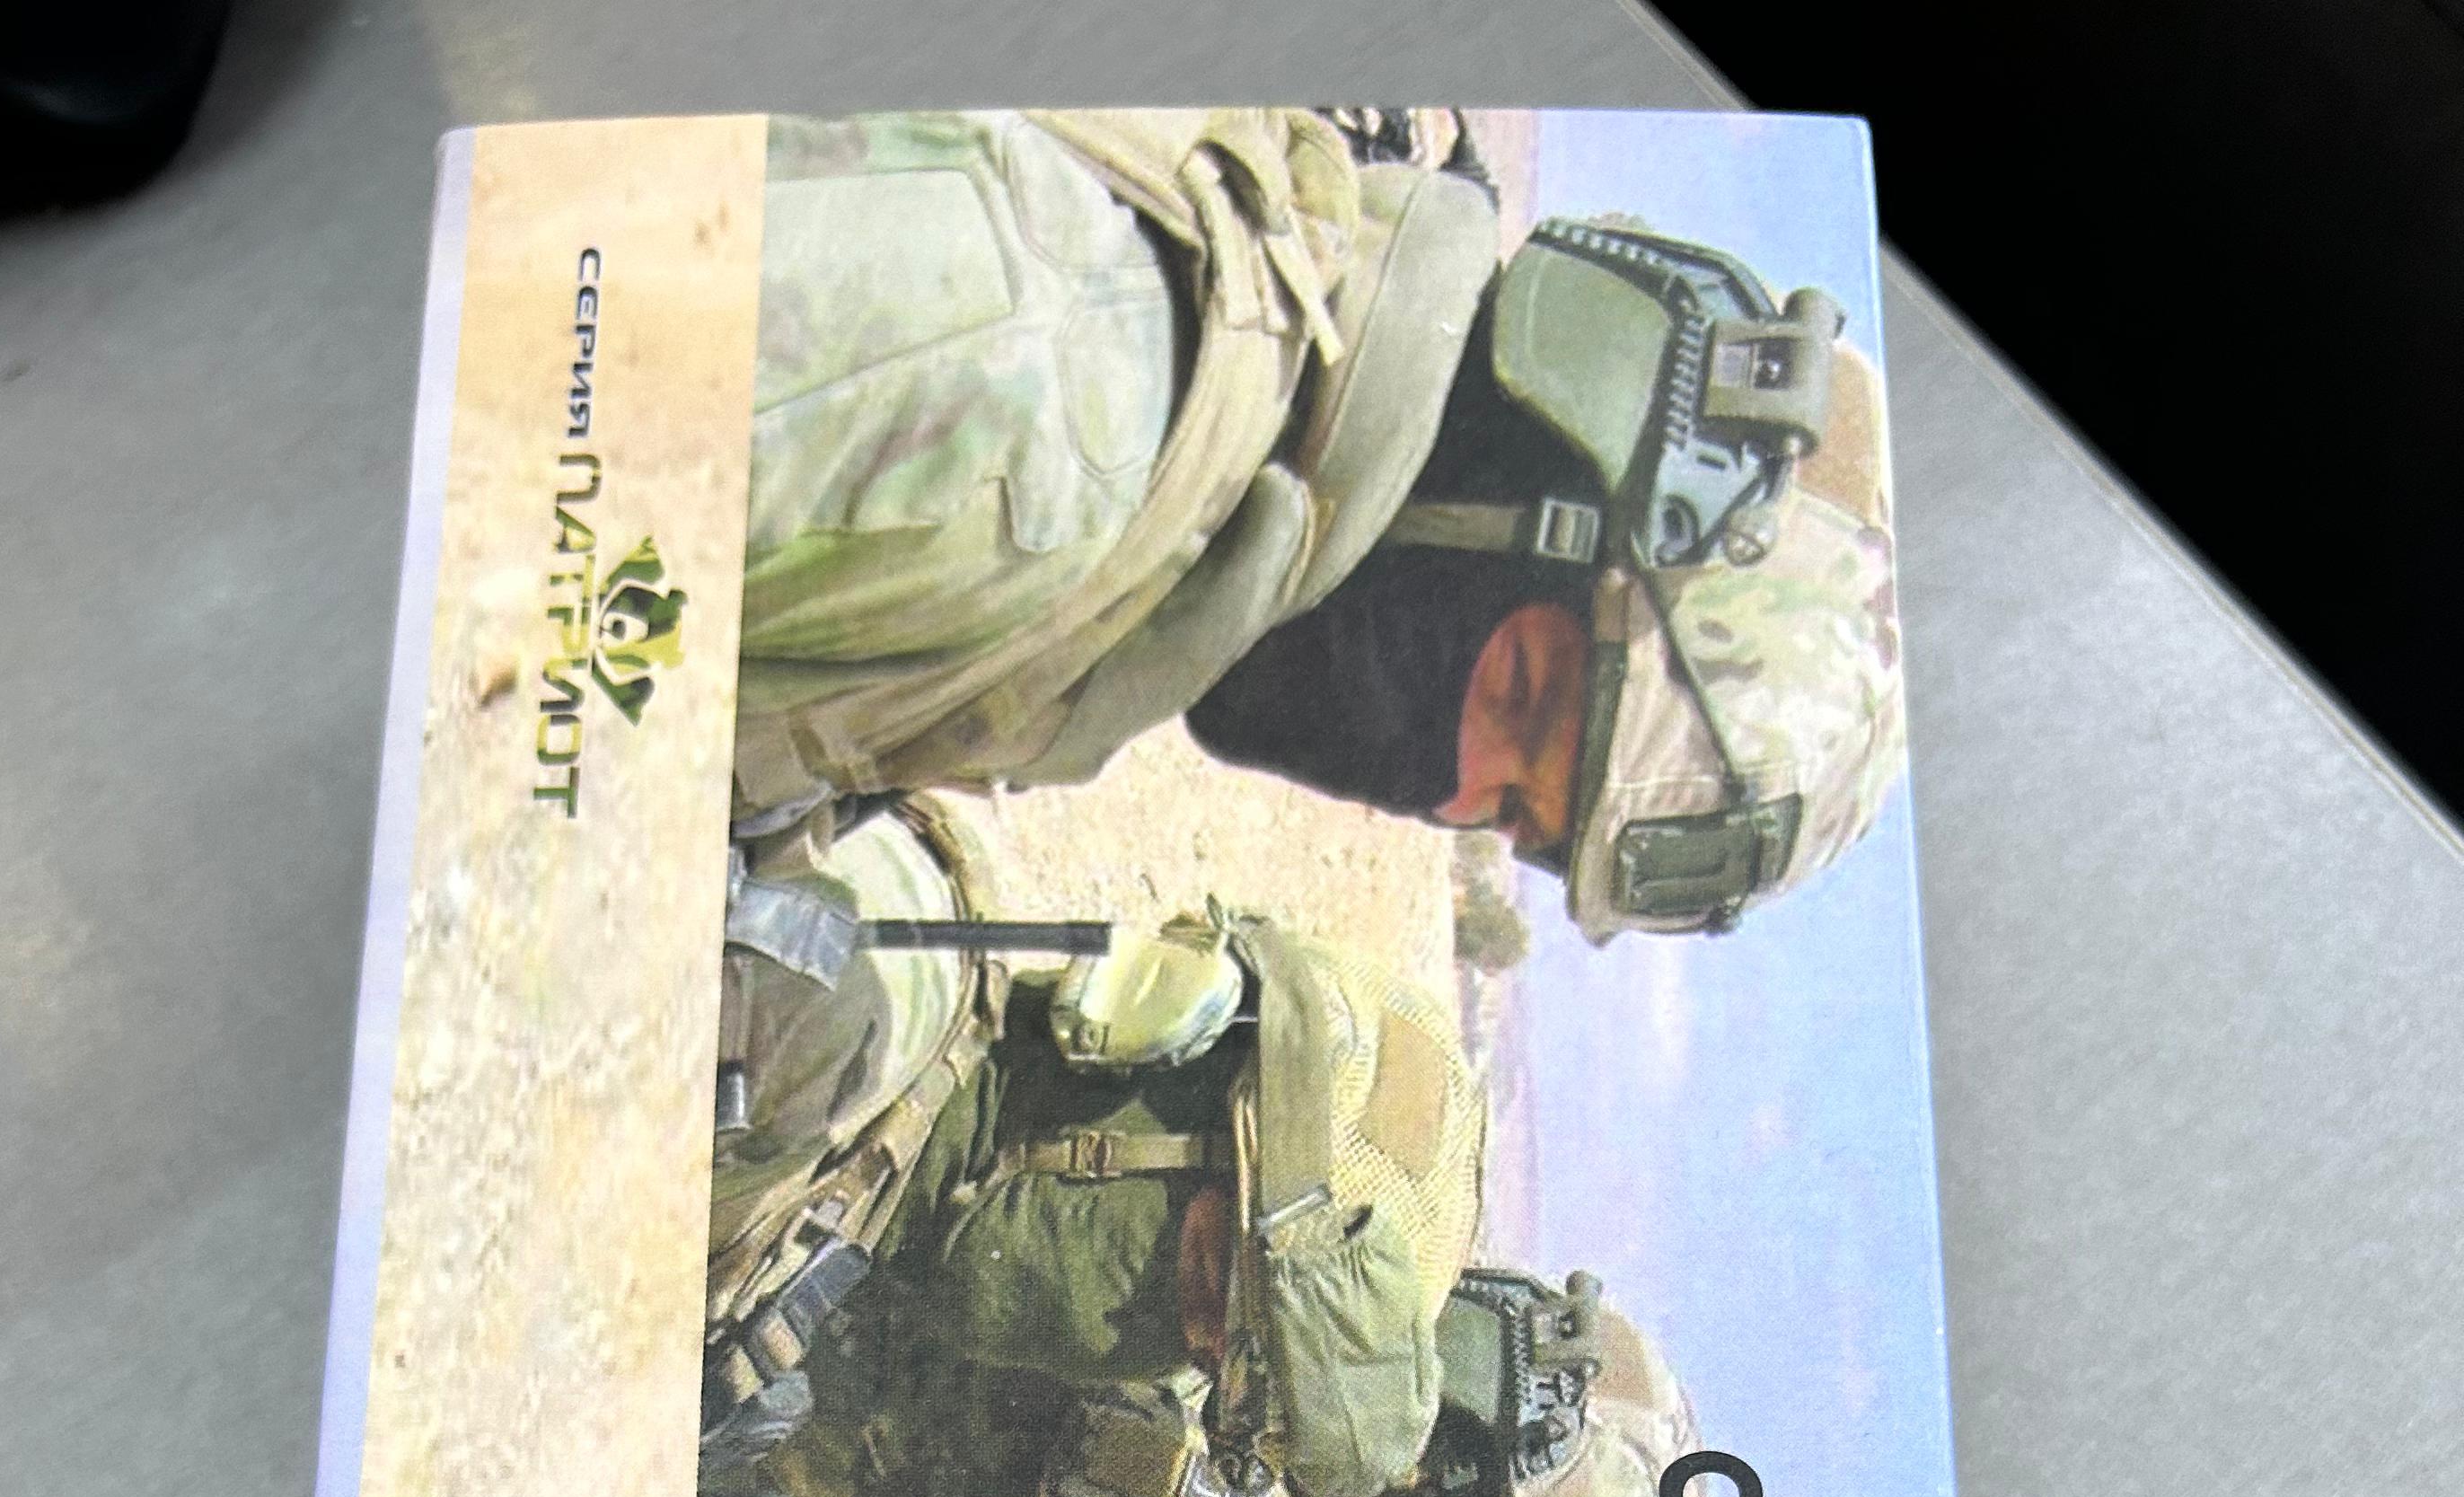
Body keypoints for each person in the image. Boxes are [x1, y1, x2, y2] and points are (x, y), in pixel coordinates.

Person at [737, 110, 1904, 942]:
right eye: (1517, 692)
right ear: (1525, 471)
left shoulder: (1160, 531)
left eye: (1509, 816)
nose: (1452, 794)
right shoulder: (1057, 420)